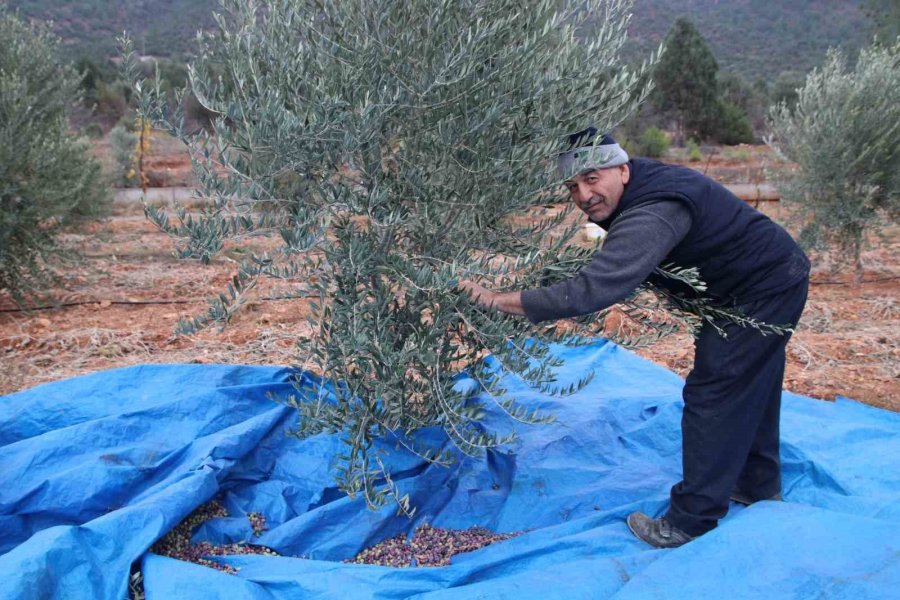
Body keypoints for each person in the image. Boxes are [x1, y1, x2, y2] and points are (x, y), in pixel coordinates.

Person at [459, 128, 810, 548]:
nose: (584, 195)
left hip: (762, 288)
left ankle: (690, 521)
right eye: (573, 186)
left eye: (593, 179)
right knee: (754, 382)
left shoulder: (654, 211)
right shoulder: (639, 190)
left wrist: (500, 301)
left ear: (623, 170)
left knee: (714, 393)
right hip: (749, 283)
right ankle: (757, 484)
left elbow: (596, 289)